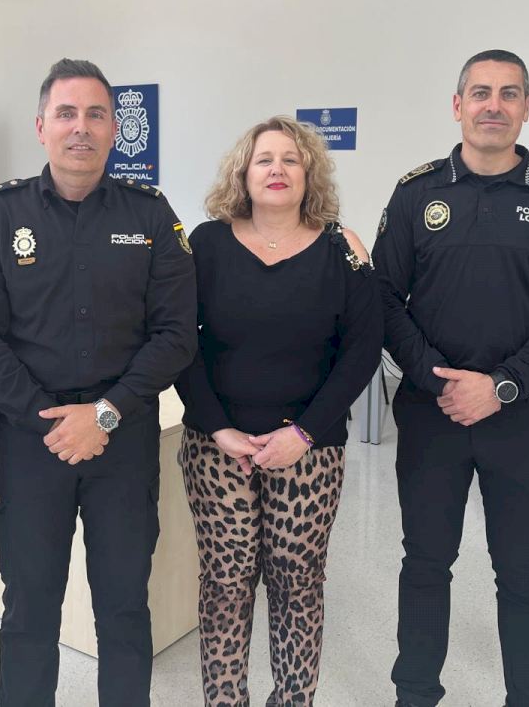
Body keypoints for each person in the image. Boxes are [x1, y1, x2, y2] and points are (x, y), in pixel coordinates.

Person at [0, 58, 197, 707]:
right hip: (32, 443)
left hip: (124, 441)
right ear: (41, 127)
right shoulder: (0, 215)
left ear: (115, 129)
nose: (80, 127)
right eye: (66, 113)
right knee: (29, 607)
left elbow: (177, 334)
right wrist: (49, 421)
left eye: (95, 114)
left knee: (124, 606)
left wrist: (105, 414)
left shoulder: (151, 214)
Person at [372, 49, 529, 707]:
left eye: (508, 94)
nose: (493, 106)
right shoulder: (416, 194)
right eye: (480, 93)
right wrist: (436, 378)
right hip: (432, 414)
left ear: (527, 108)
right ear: (458, 106)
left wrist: (501, 385)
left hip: (523, 417)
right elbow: (381, 298)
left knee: (522, 571)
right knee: (425, 563)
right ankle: (415, 694)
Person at [175, 116, 383, 706]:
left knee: (298, 584)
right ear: (243, 172)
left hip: (309, 449)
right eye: (264, 159)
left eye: (291, 159)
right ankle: (224, 699)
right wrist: (219, 427)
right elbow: (180, 341)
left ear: (309, 173)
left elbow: (364, 349)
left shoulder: (343, 248)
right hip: (218, 448)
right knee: (225, 582)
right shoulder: (206, 244)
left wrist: (306, 433)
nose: (277, 169)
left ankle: (293, 699)